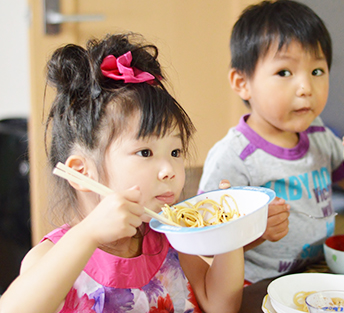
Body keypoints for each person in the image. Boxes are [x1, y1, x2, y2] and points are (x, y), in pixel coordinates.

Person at [0, 33, 244, 313]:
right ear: (83, 172)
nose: (169, 171)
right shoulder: (54, 255)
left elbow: (221, 307)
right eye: (145, 152)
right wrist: (88, 234)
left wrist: (230, 231)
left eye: (175, 152)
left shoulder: (170, 238)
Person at [198, 0, 344, 285]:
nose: (306, 88)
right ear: (242, 82)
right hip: (257, 287)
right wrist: (256, 232)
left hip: (318, 274)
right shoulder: (234, 157)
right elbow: (204, 244)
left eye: (317, 71)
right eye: (284, 72)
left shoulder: (318, 133)